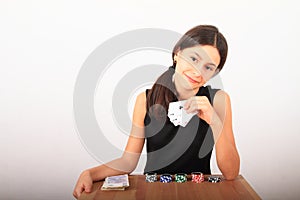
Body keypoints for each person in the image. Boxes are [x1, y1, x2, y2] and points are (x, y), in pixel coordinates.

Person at [73, 25, 240, 199]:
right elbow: (128, 162)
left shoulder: (219, 100)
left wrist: (214, 121)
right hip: (153, 192)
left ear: (214, 73)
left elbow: (231, 173)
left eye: (208, 67)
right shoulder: (145, 100)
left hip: (198, 192)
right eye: (194, 59)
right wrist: (90, 174)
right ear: (177, 54)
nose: (198, 71)